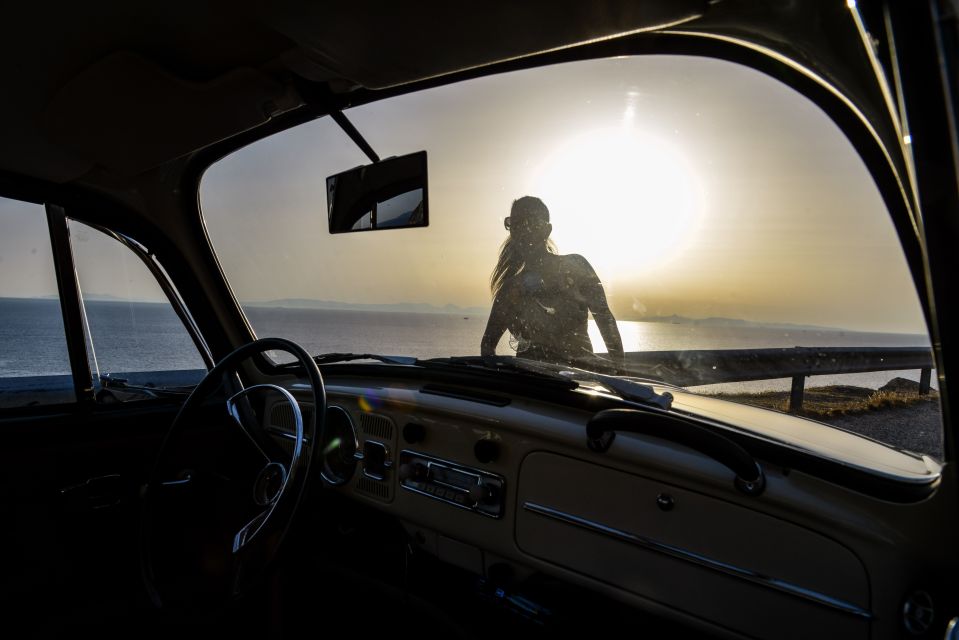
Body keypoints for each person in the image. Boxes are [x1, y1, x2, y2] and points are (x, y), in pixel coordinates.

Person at [481, 196, 625, 372]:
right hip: (530, 387)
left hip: (576, 384)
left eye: (531, 223)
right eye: (516, 223)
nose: (523, 231)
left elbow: (605, 319)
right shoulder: (512, 287)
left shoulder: (575, 267)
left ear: (546, 230)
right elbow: (488, 346)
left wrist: (621, 373)